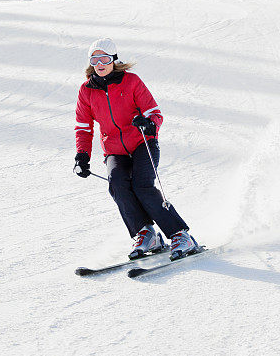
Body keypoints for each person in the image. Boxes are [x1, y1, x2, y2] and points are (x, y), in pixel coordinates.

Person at [73, 38, 199, 261]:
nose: (99, 63)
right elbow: (84, 127)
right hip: (114, 149)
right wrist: (82, 155)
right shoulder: (86, 91)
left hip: (143, 142)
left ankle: (180, 235)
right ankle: (145, 233)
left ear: (114, 60)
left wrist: (148, 123)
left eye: (104, 58)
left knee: (142, 186)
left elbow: (154, 113)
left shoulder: (131, 81)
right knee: (117, 184)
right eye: (95, 59)